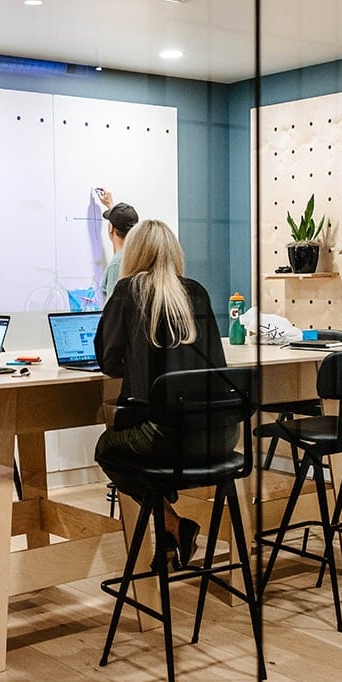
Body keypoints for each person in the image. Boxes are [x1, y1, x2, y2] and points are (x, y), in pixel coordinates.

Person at [94, 219, 237, 569]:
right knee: (147, 451)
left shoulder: (128, 291)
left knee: (108, 449)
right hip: (221, 437)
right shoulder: (197, 292)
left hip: (167, 439)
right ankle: (171, 537)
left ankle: (173, 523)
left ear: (134, 253)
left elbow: (109, 363)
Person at [97, 188, 139, 302]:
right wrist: (111, 206)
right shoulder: (138, 257)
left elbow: (113, 312)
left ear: (111, 228)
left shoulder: (117, 264)